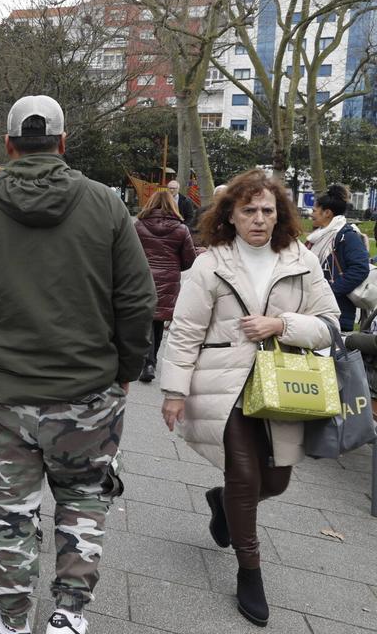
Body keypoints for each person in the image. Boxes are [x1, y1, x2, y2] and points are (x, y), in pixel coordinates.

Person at [0, 96, 155, 634]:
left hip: (2, 393)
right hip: (87, 390)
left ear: (9, 145)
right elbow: (137, 301)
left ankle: (10, 620)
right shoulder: (105, 205)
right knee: (84, 501)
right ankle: (68, 615)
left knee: (10, 509)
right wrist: (126, 369)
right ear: (63, 141)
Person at [159, 169, 338, 627]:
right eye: (249, 210)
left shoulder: (302, 259)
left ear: (279, 215)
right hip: (226, 386)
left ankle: (222, 502)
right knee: (243, 475)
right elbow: (185, 331)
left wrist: (282, 325)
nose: (258, 218)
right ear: (230, 216)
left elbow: (330, 325)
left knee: (274, 482)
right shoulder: (211, 263)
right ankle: (250, 571)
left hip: (284, 386)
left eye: (267, 210)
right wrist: (174, 390)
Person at [134, 189, 196, 382]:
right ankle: (151, 361)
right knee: (159, 319)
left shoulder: (138, 226)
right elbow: (189, 259)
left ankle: (147, 361)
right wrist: (174, 266)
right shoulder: (181, 229)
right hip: (169, 278)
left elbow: (129, 252)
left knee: (146, 318)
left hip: (143, 276)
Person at [307, 184, 369, 332]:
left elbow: (360, 268)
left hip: (338, 314)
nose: (311, 213)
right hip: (315, 310)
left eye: (315, 210)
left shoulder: (347, 236)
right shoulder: (317, 237)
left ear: (327, 213)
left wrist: (329, 291)